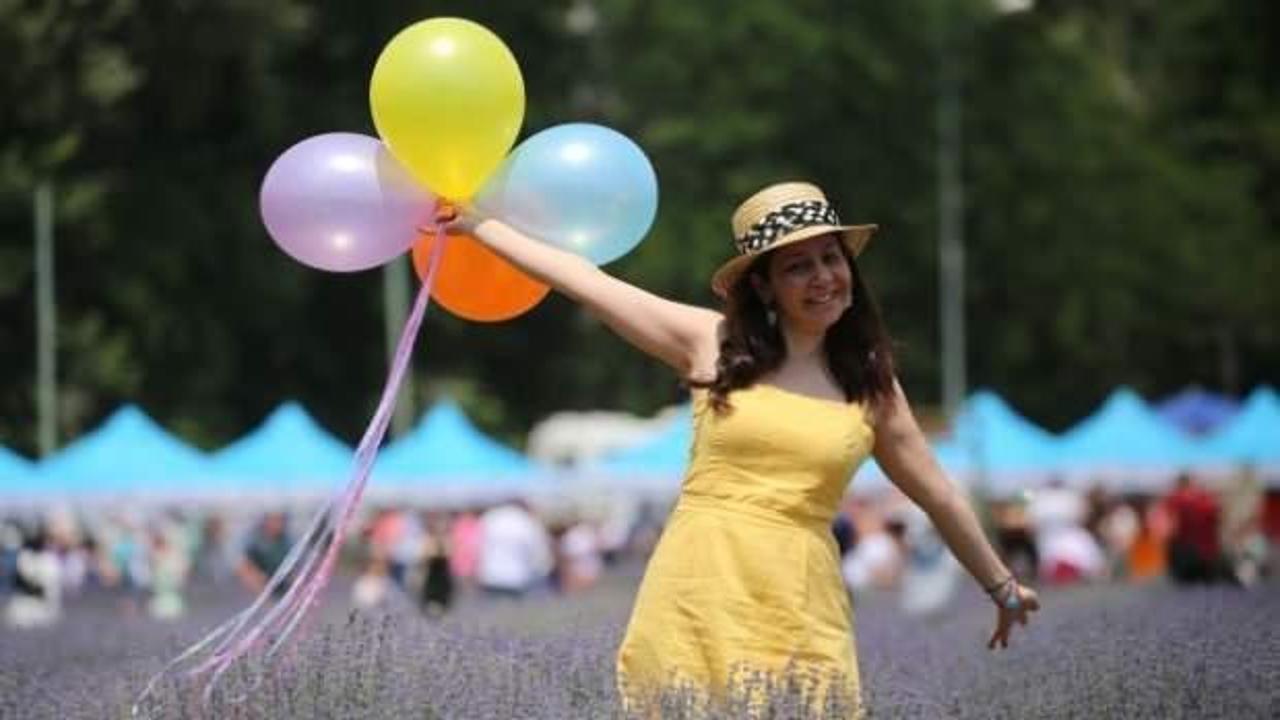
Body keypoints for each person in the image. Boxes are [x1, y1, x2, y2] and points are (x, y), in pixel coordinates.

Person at [445, 181, 1039, 713]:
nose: (823, 277)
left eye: (831, 259)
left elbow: (937, 493)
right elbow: (586, 283)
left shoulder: (871, 383)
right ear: (764, 286)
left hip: (801, 602)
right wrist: (476, 224)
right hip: (699, 589)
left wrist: (1002, 588)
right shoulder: (712, 342)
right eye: (797, 267)